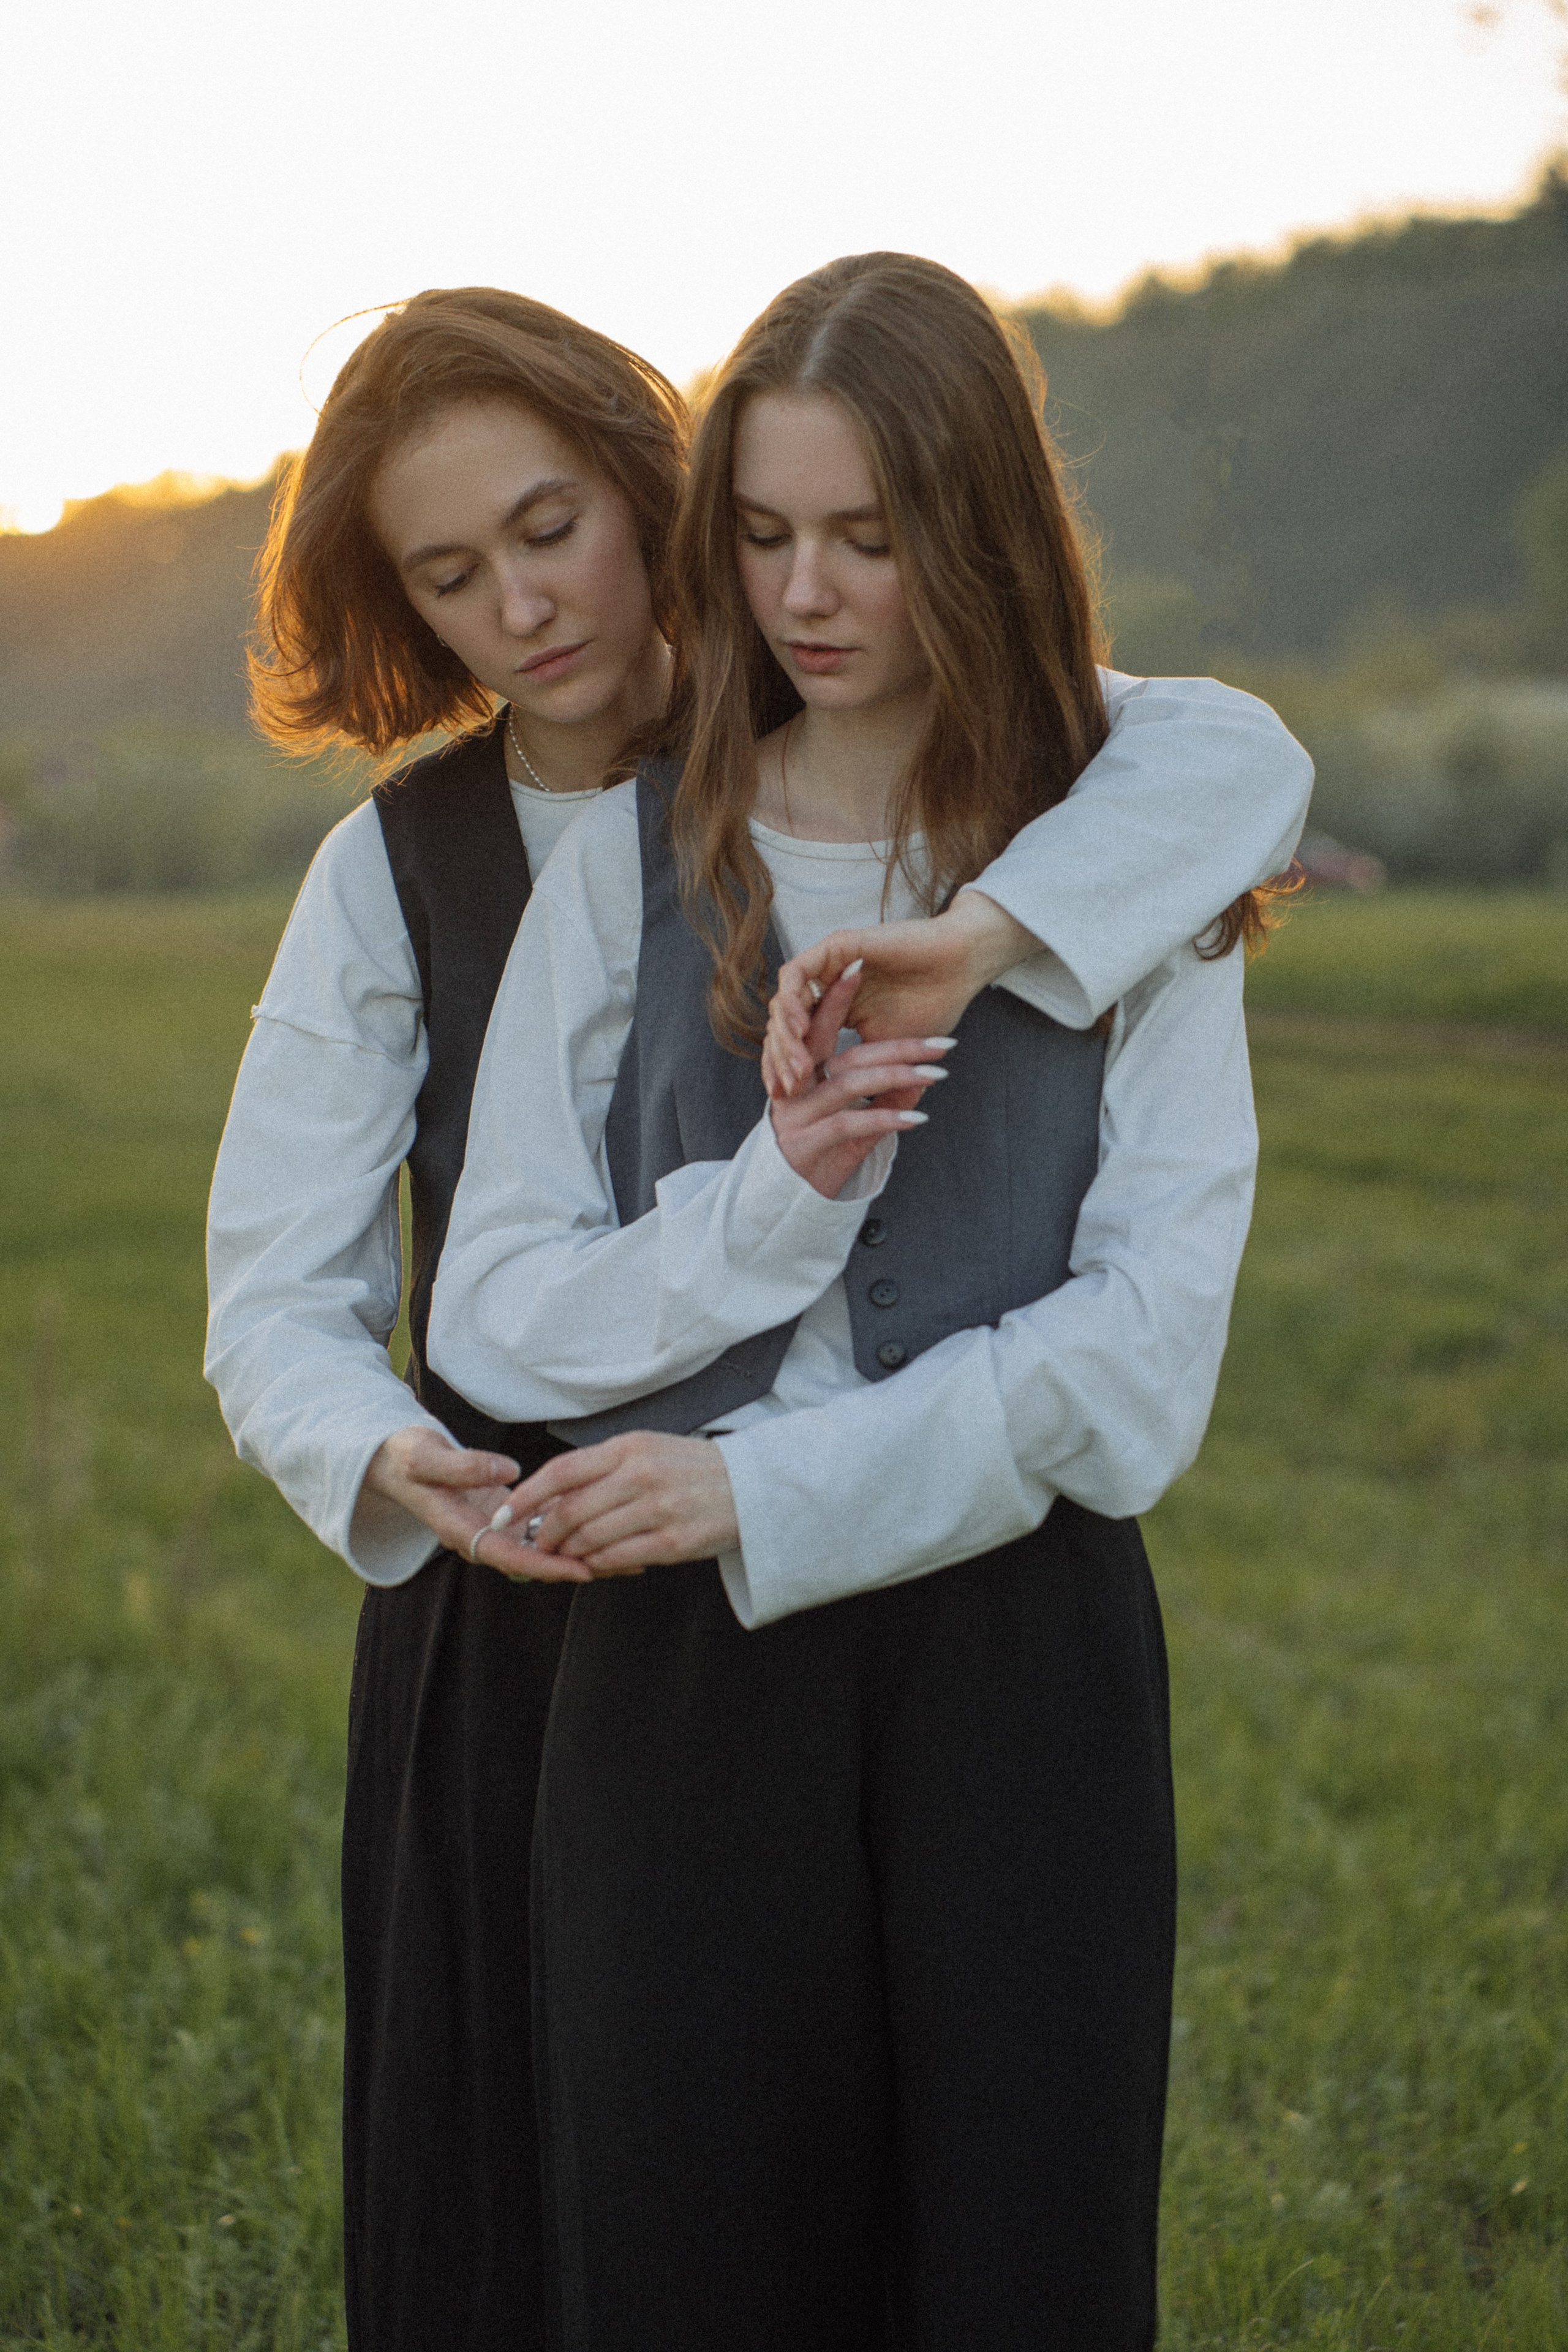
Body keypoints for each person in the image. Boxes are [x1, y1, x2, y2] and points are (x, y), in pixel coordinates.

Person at [206, 285, 1310, 2351]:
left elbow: (1224, 757)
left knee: (994, 2228)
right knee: (574, 2211)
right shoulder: (439, 867)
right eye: (451, 577)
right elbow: (290, 1281)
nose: (523, 605)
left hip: (945, 1589)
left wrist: (985, 940)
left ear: (650, 493)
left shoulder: (1081, 805)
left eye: (552, 529)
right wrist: (383, 1434)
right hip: (554, 1579)